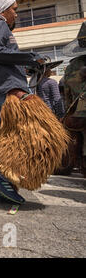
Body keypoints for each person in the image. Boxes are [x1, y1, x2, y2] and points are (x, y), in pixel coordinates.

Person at [0, 0, 68, 204]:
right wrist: (30, 56)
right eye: (14, 8)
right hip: (5, 91)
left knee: (1, 139)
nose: (16, 12)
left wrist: (26, 63)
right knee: (30, 136)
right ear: (4, 9)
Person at [62, 21, 86, 176]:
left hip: (77, 112)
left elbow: (67, 94)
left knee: (80, 140)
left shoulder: (71, 66)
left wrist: (69, 111)